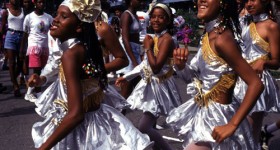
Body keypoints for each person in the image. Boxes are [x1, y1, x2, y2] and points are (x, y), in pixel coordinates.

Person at [28, 0, 152, 149]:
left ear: (80, 26)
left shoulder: (74, 52)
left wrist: (43, 148)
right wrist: (42, 78)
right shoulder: (79, 46)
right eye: (57, 15)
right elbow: (63, 64)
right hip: (95, 119)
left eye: (63, 16)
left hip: (82, 124)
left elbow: (75, 114)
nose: (55, 19)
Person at [166, 0, 264, 149]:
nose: (201, 0)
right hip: (204, 114)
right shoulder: (209, 35)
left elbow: (256, 84)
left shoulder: (221, 39)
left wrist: (232, 124)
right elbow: (193, 78)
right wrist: (180, 66)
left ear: (223, 3)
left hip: (219, 118)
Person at [116, 3, 181, 149]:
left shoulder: (167, 40)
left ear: (168, 20)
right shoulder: (155, 38)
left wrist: (147, 48)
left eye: (161, 17)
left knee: (147, 127)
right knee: (146, 126)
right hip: (152, 87)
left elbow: (156, 67)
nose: (156, 20)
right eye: (153, 17)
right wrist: (126, 77)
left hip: (162, 88)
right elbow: (145, 65)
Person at [233, 0, 280, 148]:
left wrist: (264, 63)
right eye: (246, 0)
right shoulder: (244, 22)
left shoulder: (271, 27)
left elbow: (277, 61)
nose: (249, 4)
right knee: (236, 128)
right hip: (239, 78)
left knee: (249, 132)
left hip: (258, 81)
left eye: (253, 0)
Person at [20, 0, 53, 102]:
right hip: (34, 46)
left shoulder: (49, 17)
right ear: (35, 3)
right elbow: (25, 34)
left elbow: (52, 31)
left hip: (44, 47)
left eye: (43, 2)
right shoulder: (29, 17)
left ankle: (29, 93)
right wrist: (22, 49)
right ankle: (38, 94)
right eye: (39, 2)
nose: (42, 4)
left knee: (42, 71)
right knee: (36, 71)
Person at [117, 0, 143, 99]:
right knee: (126, 90)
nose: (141, 2)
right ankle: (118, 113)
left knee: (139, 86)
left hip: (135, 50)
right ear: (131, 1)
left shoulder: (134, 14)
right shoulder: (127, 15)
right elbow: (125, 39)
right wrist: (134, 61)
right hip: (129, 52)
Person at [1, 0, 25, 97]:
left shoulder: (23, 10)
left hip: (21, 37)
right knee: (12, 62)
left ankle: (13, 78)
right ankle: (15, 86)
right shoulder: (6, 12)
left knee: (20, 61)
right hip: (10, 36)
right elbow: (2, 28)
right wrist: (1, 44)